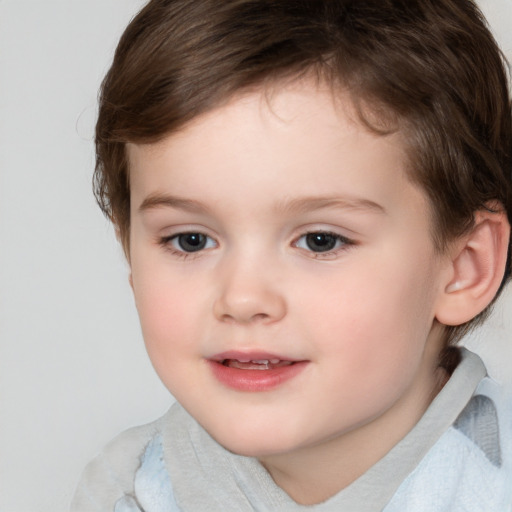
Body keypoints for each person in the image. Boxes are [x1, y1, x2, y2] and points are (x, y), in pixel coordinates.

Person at [71, 0, 512, 510]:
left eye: (320, 240)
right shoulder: (131, 491)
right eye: (190, 240)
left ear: (463, 267)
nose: (242, 298)